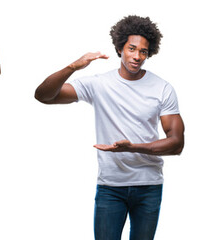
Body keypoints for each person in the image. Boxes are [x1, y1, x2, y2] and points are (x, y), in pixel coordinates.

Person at [34, 15, 184, 240]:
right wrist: (73, 67)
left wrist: (132, 147)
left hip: (149, 185)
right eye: (132, 48)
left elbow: (176, 144)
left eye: (143, 51)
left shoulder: (162, 88)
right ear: (120, 48)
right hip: (111, 186)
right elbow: (43, 96)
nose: (137, 56)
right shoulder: (98, 84)